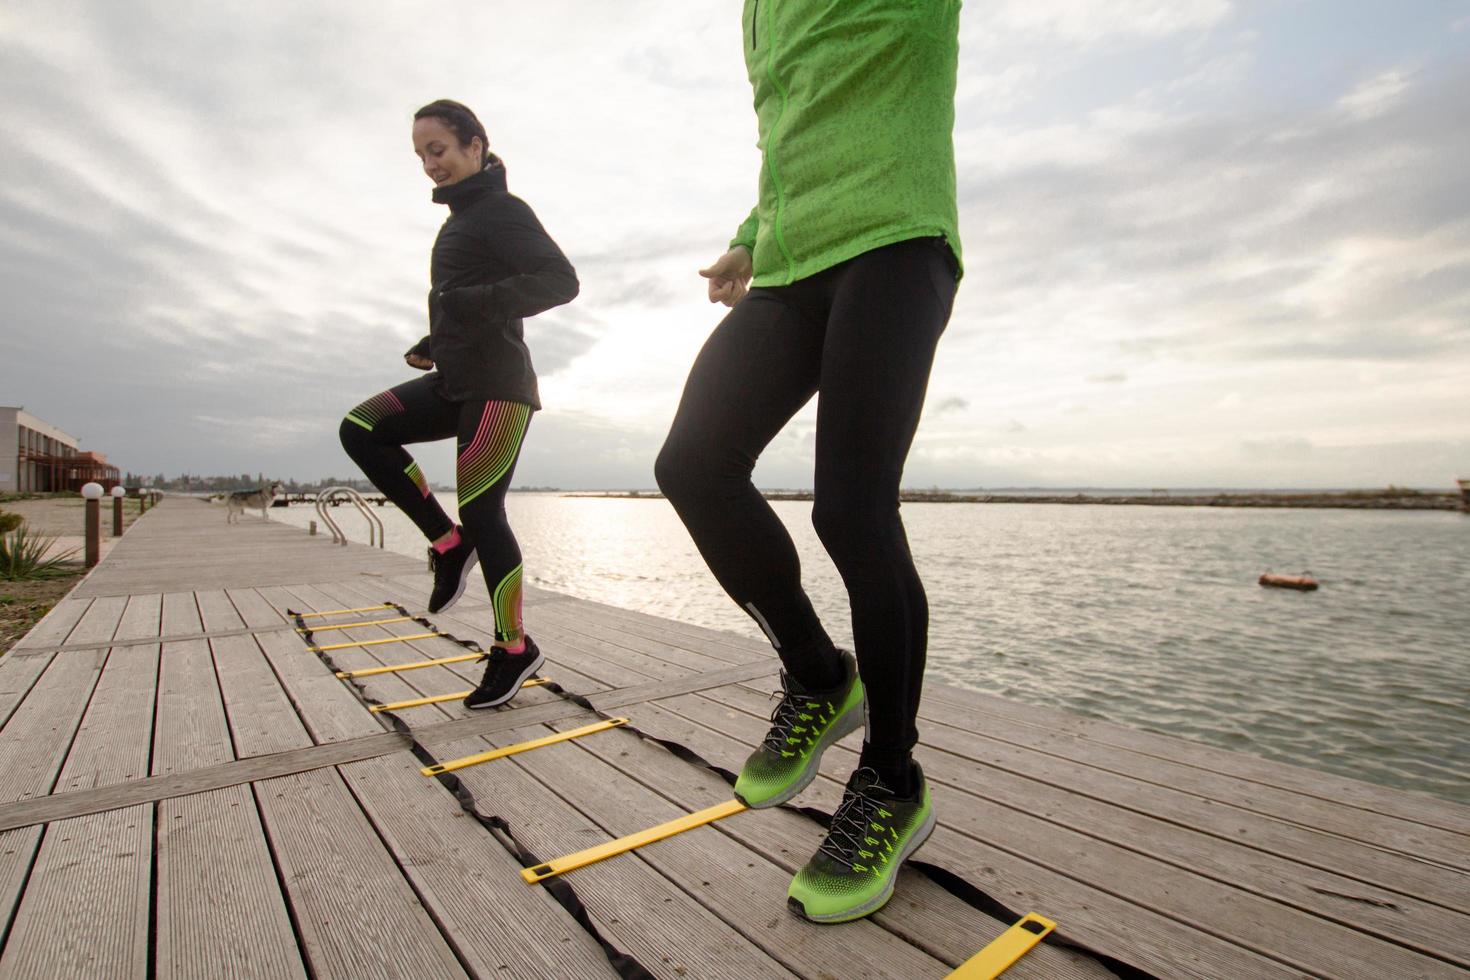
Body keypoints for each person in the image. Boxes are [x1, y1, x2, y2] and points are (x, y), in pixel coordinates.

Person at [655, 1, 962, 923]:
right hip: (792, 258)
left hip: (895, 239)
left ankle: (891, 780)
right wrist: (752, 234)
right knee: (693, 465)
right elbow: (793, 127)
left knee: (852, 511)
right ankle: (820, 676)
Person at [339, 99, 578, 709]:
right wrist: (438, 338)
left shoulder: (501, 210)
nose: (428, 164)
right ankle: (446, 543)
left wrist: (471, 308)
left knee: (485, 510)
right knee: (362, 428)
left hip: (498, 388)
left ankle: (513, 647)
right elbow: (465, 300)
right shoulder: (460, 221)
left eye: (438, 150)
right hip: (456, 379)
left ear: (476, 145)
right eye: (420, 155)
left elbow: (559, 280)